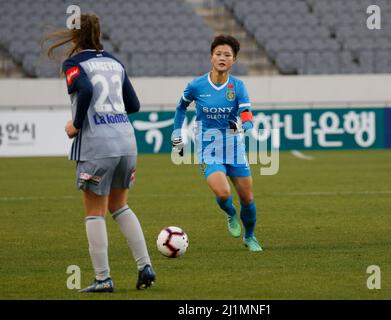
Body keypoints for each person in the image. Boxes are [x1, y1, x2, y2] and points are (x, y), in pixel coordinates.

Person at [45, 13, 156, 292]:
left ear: (74, 35)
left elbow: (84, 90)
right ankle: (145, 266)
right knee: (120, 206)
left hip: (98, 145)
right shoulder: (115, 63)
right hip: (126, 142)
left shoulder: (74, 64)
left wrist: (77, 124)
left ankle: (103, 278)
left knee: (95, 212)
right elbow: (134, 104)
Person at [171, 34, 263, 252]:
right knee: (223, 194)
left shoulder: (238, 87)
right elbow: (181, 108)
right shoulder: (196, 85)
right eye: (219, 53)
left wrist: (248, 124)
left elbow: (246, 111)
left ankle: (250, 237)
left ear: (234, 60)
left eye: (227, 55)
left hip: (234, 147)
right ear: (211, 57)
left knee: (247, 198)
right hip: (208, 148)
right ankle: (230, 213)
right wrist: (177, 131)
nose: (222, 57)